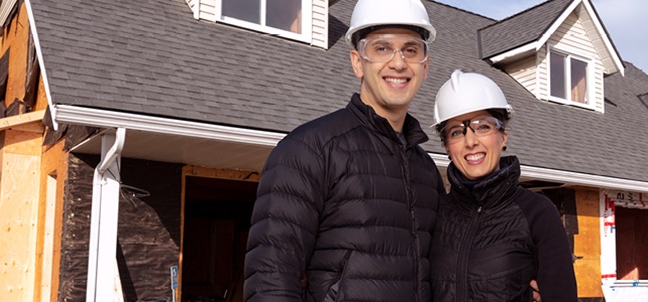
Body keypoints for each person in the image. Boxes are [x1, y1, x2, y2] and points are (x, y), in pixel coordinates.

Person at [243, 0, 442, 301]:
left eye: (411, 50)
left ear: (425, 67)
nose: (399, 63)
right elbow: (271, 278)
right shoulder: (309, 150)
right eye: (382, 48)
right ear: (357, 62)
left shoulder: (426, 170)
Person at [428, 70, 578, 302]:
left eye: (483, 127)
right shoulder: (435, 214)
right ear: (447, 146)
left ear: (503, 136)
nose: (471, 141)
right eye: (457, 131)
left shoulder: (537, 213)